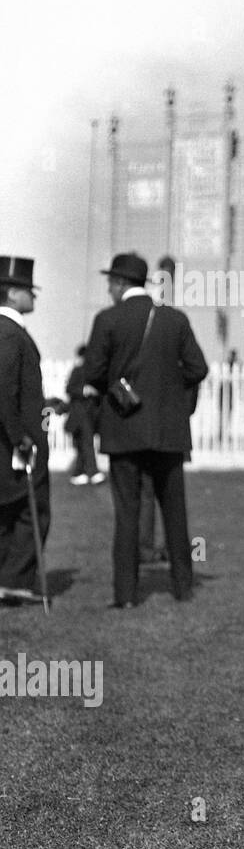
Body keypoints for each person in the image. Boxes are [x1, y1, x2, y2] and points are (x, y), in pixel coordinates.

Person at [83, 252, 209, 608]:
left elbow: (93, 373)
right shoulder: (175, 319)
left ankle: (125, 595)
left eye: (111, 282)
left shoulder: (107, 320)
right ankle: (183, 587)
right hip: (169, 430)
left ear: (121, 283)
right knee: (174, 509)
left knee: (127, 513)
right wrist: (169, 389)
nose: (109, 288)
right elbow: (198, 368)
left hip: (124, 428)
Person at [0, 255, 51, 606]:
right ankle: (14, 580)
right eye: (29, 291)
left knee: (10, 508)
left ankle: (10, 580)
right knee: (32, 509)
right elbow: (4, 390)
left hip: (13, 437)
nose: (34, 297)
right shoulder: (8, 333)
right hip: (16, 442)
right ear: (14, 293)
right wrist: (20, 437)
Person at [65, 345, 106, 485]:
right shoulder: (78, 371)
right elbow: (69, 389)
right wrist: (84, 390)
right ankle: (92, 471)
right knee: (86, 441)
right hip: (80, 413)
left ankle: (79, 472)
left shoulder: (92, 372)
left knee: (83, 443)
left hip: (89, 414)